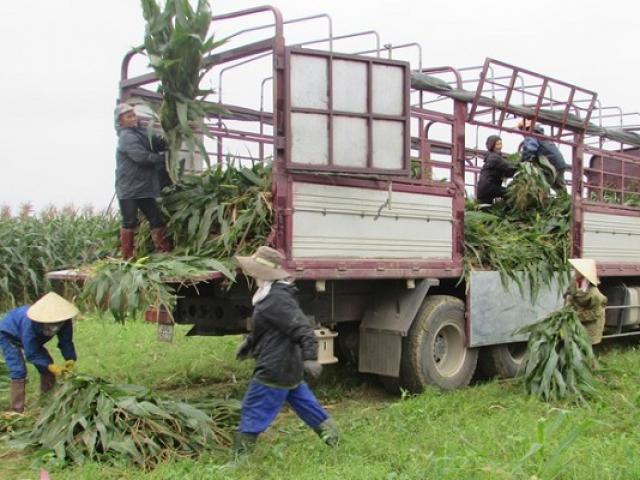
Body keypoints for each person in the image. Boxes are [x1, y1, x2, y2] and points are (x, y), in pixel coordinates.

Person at [232, 246, 339, 457]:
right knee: (306, 405)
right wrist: (250, 343)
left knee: (253, 407)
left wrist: (310, 357)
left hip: (275, 367)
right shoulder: (271, 294)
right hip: (288, 365)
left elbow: (302, 330)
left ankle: (240, 460)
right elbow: (272, 328)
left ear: (261, 272)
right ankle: (333, 437)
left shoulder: (276, 299)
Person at [0, 292, 79, 413]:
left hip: (30, 339)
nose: (54, 326)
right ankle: (16, 410)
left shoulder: (65, 321)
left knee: (46, 367)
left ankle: (46, 402)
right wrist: (51, 366)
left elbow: (66, 341)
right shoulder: (30, 323)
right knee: (18, 370)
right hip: (9, 335)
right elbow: (31, 352)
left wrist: (70, 358)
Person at [115, 102, 171, 260]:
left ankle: (163, 251)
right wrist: (159, 158)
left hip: (142, 188)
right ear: (121, 121)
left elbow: (155, 142)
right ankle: (127, 257)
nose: (134, 118)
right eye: (129, 116)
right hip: (128, 189)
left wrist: (168, 139)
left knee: (156, 218)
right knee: (130, 221)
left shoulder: (140, 132)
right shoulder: (126, 137)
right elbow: (140, 156)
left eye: (133, 115)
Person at [565, 258, 607, 344]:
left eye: (577, 269)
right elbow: (570, 293)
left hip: (590, 321)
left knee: (585, 343)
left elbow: (595, 312)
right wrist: (568, 300)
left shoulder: (595, 294)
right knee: (575, 340)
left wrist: (576, 316)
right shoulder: (574, 280)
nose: (575, 270)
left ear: (583, 273)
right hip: (578, 317)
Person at [517, 119, 569, 189]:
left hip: (551, 165)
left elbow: (530, 149)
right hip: (559, 163)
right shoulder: (542, 135)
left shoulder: (531, 135)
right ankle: (568, 199)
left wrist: (523, 163)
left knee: (541, 185)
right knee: (560, 188)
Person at [476, 135, 518, 204]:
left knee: (486, 211)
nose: (500, 146)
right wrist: (519, 167)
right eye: (497, 144)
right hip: (489, 187)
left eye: (501, 144)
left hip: (483, 190)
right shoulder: (494, 157)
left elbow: (505, 172)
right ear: (492, 145)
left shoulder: (491, 156)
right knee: (510, 194)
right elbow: (507, 168)